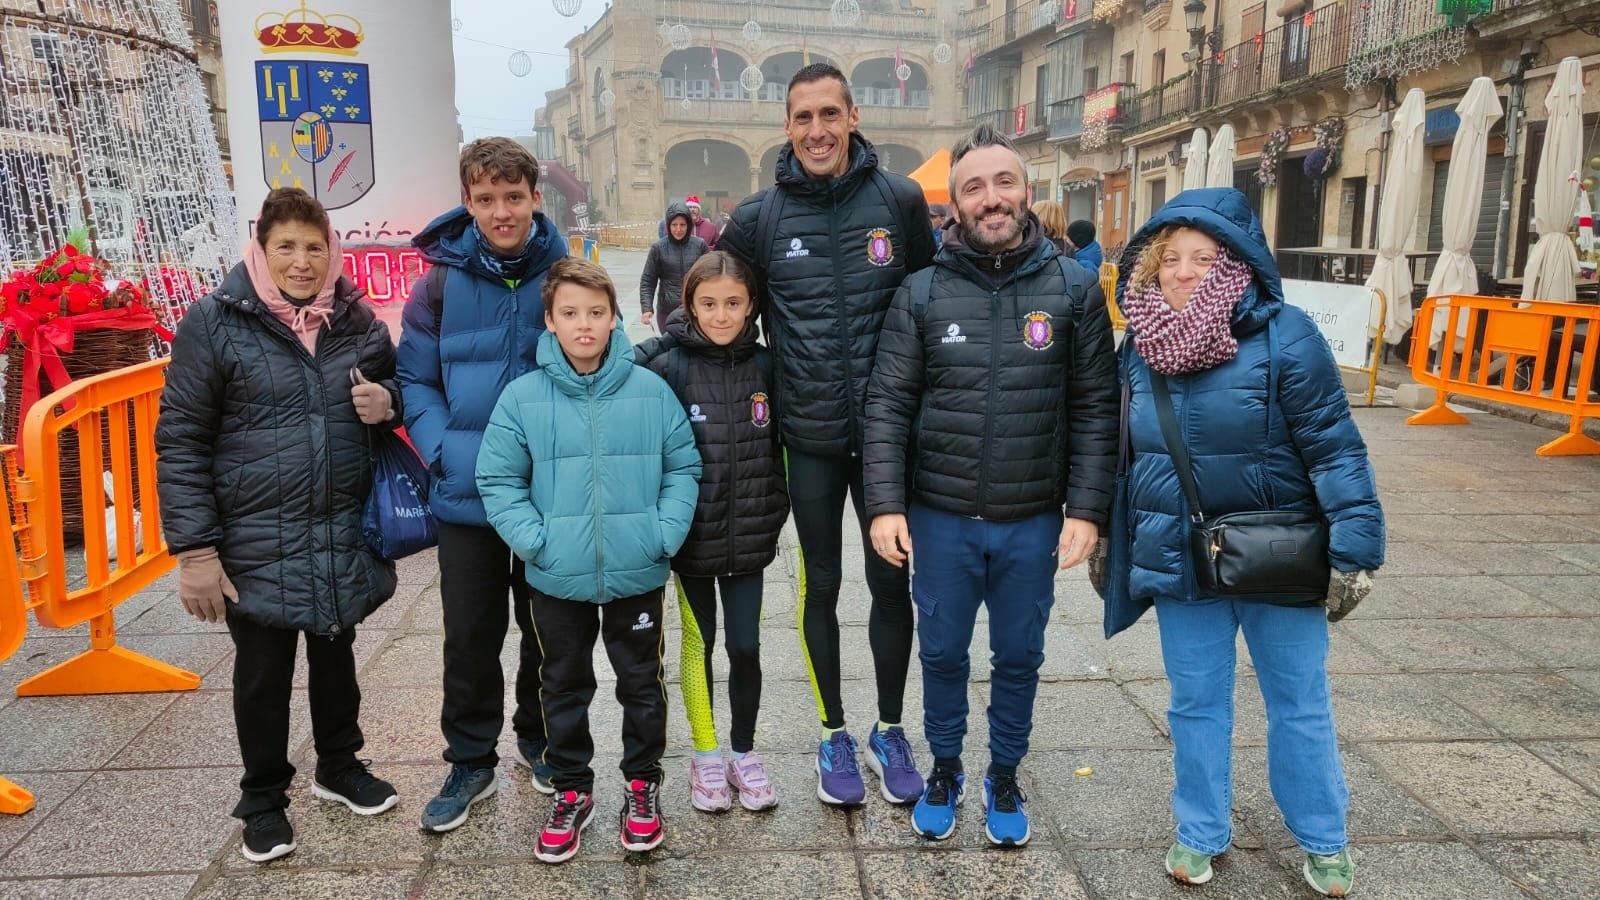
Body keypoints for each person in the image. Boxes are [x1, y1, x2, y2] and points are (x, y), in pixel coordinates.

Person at [1115, 188, 1382, 896]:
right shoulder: (1139, 345)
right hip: (1181, 556)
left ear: (1236, 262)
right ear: (1149, 267)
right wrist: (1120, 543)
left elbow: (1334, 448)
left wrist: (1356, 546)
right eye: (1169, 258)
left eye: (1202, 257)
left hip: (1278, 553)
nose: (1182, 271)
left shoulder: (1284, 334)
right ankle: (1200, 830)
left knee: (1298, 697)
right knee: (1195, 701)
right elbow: (1120, 453)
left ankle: (1324, 838)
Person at [863, 124, 1118, 846]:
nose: (991, 198)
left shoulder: (1073, 289)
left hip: (1031, 517)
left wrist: (1088, 509)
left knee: (1020, 654)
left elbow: (1098, 405)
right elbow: (887, 402)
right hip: (940, 516)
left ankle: (1003, 771)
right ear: (957, 203)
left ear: (1026, 192)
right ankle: (944, 766)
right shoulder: (920, 292)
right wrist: (884, 502)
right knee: (941, 653)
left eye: (1003, 182)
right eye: (974, 187)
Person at [156, 187, 402, 864]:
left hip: (336, 529)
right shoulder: (215, 322)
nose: (301, 261)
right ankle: (263, 799)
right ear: (261, 250)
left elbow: (394, 390)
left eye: (314, 246)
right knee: (262, 675)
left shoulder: (358, 322)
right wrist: (196, 550)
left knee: (335, 650)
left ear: (333, 252)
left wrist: (387, 401)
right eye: (286, 246)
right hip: (253, 536)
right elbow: (181, 438)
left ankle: (340, 766)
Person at [719, 62, 936, 808]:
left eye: (829, 115)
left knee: (889, 584)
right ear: (787, 126)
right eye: (802, 117)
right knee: (820, 583)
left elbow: (932, 306)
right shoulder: (758, 218)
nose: (816, 131)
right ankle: (832, 732)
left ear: (853, 117)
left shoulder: (900, 201)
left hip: (889, 439)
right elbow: (719, 313)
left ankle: (888, 726)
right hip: (806, 435)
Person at [476, 258, 702, 863]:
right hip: (556, 576)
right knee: (562, 683)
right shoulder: (523, 397)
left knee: (641, 683)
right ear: (549, 320)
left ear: (614, 317)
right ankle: (572, 788)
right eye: (570, 314)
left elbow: (683, 466)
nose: (584, 326)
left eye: (596, 313)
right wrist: (538, 542)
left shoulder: (651, 391)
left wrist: (664, 532)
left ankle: (640, 784)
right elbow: (498, 479)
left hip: (637, 571)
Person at [397, 137, 566, 833]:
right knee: (469, 632)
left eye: (514, 197)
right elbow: (416, 377)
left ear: (534, 197)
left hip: (543, 491)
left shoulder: (564, 275)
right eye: (486, 199)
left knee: (546, 628)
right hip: (464, 492)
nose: (501, 212)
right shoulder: (438, 281)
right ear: (467, 201)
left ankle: (539, 737)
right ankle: (470, 758)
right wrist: (437, 451)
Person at [635, 252, 789, 813]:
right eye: (708, 304)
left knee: (745, 647)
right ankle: (705, 753)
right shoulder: (667, 368)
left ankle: (744, 751)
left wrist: (778, 507)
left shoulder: (768, 368)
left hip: (750, 535)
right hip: (691, 541)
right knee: (698, 646)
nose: (721, 316)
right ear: (689, 305)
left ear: (751, 306)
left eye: (733, 303)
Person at [639, 199, 708, 329]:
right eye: (674, 224)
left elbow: (710, 277)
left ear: (688, 225)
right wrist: (647, 308)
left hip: (694, 310)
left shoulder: (700, 245)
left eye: (682, 225)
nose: (678, 229)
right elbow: (648, 280)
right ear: (668, 225)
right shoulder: (658, 248)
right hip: (667, 311)